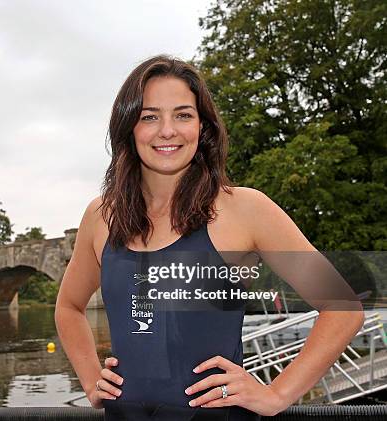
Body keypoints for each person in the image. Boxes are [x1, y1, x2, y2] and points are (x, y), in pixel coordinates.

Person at [54, 54, 365, 420]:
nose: (167, 130)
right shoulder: (100, 215)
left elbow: (342, 307)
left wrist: (277, 394)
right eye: (149, 116)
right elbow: (69, 307)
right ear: (129, 128)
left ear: (202, 127)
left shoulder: (245, 209)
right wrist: (92, 379)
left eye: (183, 115)